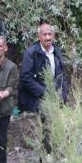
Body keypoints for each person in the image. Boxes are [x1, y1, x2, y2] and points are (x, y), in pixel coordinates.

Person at [18, 23, 70, 153]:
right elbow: (25, 77)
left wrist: (63, 94)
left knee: (65, 121)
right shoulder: (31, 53)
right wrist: (44, 92)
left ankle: (58, 152)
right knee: (48, 122)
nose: (47, 37)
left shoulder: (56, 51)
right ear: (39, 36)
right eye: (44, 34)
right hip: (37, 96)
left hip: (54, 94)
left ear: (53, 35)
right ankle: (47, 154)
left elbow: (62, 75)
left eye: (50, 34)